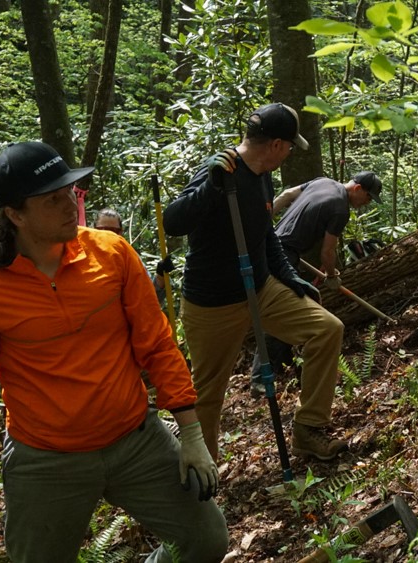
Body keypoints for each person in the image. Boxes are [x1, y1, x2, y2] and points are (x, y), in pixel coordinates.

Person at [0, 141, 227, 562]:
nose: (70, 205)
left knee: (207, 541)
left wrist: (192, 433)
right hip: (45, 459)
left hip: (135, 440)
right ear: (16, 215)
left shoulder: (111, 254)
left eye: (70, 191)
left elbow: (157, 343)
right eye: (53, 200)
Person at [163, 102, 348, 462]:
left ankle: (309, 428)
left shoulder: (263, 175)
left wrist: (291, 277)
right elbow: (173, 221)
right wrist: (211, 188)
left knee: (327, 329)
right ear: (277, 145)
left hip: (261, 289)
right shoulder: (220, 171)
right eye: (290, 145)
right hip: (212, 302)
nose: (290, 152)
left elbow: (266, 236)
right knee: (208, 395)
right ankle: (205, 475)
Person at [250, 171, 383, 395]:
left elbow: (287, 194)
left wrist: (265, 223)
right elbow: (327, 252)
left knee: (293, 306)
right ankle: (262, 378)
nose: (367, 204)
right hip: (282, 255)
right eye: (369, 197)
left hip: (271, 246)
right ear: (358, 189)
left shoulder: (323, 181)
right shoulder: (341, 209)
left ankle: (285, 367)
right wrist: (332, 276)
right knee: (290, 311)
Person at [92, 208, 176, 305]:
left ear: (120, 232)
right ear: (93, 229)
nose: (107, 235)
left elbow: (149, 298)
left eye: (113, 231)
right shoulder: (82, 254)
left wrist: (161, 276)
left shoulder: (129, 258)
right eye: (102, 230)